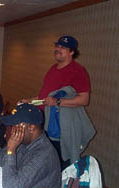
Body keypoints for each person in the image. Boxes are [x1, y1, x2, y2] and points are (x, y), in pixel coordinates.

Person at [20, 35, 93, 169]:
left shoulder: (78, 71)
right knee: (42, 163)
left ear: (72, 52)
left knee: (58, 165)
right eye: (57, 46)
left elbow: (84, 99)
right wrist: (30, 101)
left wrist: (57, 102)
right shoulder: (53, 69)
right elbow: (45, 99)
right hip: (43, 123)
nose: (58, 49)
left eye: (63, 47)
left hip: (59, 129)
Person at [0, 103, 61, 188]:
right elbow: (1, 160)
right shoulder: (25, 141)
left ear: (31, 128)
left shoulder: (43, 155)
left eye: (15, 126)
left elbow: (11, 186)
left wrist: (11, 150)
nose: (12, 130)